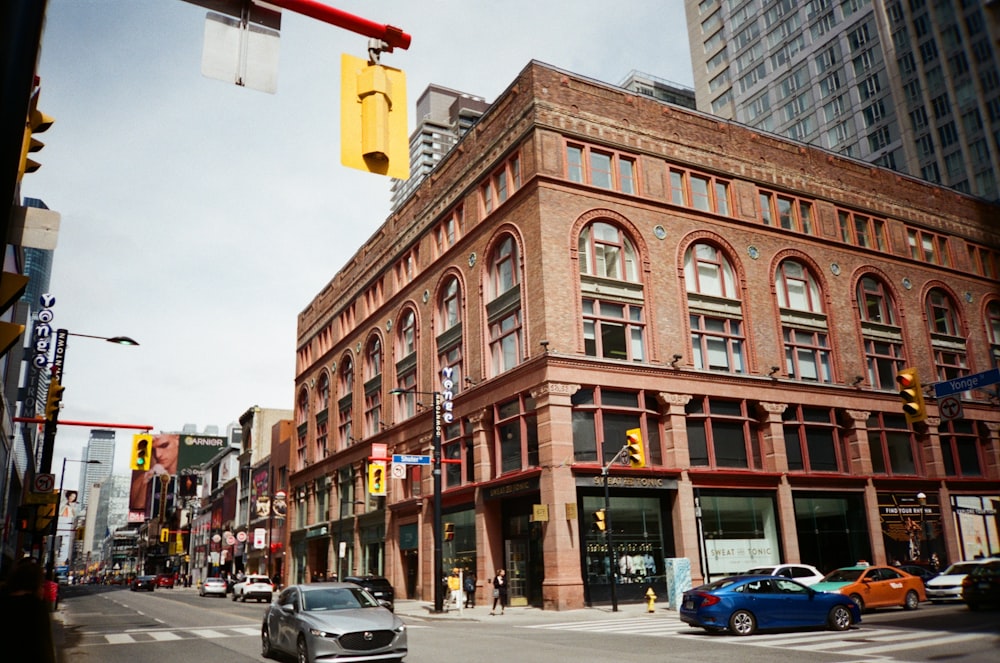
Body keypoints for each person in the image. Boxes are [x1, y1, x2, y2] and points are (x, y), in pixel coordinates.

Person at [0, 558, 56, 663]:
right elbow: (43, 649)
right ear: (34, 584)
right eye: (42, 585)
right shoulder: (35, 607)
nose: (43, 590)